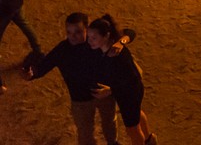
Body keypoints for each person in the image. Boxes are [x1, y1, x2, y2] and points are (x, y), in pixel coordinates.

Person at [28, 12, 135, 145]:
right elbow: (43, 67)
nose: (72, 37)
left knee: (110, 122)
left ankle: (112, 142)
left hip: (104, 94)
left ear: (87, 29)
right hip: (80, 100)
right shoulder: (63, 50)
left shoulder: (95, 41)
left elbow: (128, 33)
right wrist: (31, 74)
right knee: (85, 132)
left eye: (78, 32)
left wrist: (120, 43)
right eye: (69, 32)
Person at [87, 15, 156, 145]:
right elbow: (128, 33)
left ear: (106, 36)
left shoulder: (118, 55)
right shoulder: (109, 45)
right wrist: (121, 41)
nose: (89, 41)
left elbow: (131, 81)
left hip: (129, 95)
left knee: (132, 130)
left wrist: (110, 91)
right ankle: (149, 139)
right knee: (137, 114)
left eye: (94, 38)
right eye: (89, 37)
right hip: (127, 93)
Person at [0, 0, 43, 93]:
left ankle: (0, 85)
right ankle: (38, 51)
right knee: (25, 25)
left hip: (3, 13)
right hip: (17, 5)